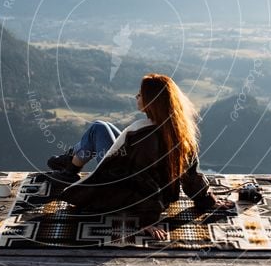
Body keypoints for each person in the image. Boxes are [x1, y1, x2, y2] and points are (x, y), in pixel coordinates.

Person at [46, 73, 234, 239]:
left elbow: (143, 180)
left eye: (141, 94)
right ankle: (70, 162)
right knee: (104, 127)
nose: (137, 96)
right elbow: (190, 174)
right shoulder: (179, 131)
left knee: (98, 128)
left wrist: (148, 219)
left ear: (152, 101)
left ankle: (70, 166)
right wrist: (207, 201)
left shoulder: (144, 138)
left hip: (123, 190)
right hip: (154, 192)